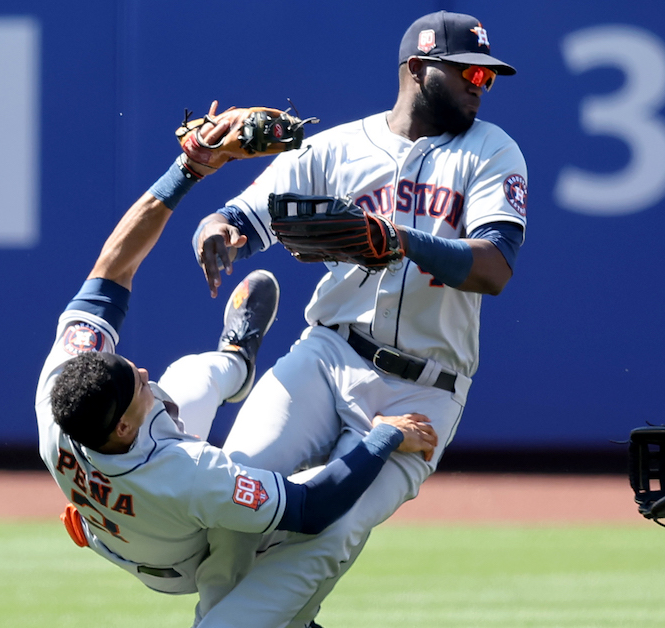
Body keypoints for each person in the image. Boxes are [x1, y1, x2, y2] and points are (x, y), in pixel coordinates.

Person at [190, 10, 527, 627]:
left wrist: (399, 238)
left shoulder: (492, 151)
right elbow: (239, 217)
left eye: (488, 76)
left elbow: (494, 268)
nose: (482, 84)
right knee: (234, 495)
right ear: (418, 69)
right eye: (469, 72)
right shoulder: (336, 147)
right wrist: (217, 231)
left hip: (424, 387)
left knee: (329, 534)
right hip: (327, 355)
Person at [34, 125, 438, 626]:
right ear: (123, 427)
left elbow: (111, 271)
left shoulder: (61, 392)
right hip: (178, 559)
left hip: (112, 518)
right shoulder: (189, 474)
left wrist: (187, 169)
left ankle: (237, 361)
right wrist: (382, 437)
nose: (140, 370)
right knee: (271, 524)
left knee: (189, 374)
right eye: (135, 383)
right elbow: (311, 507)